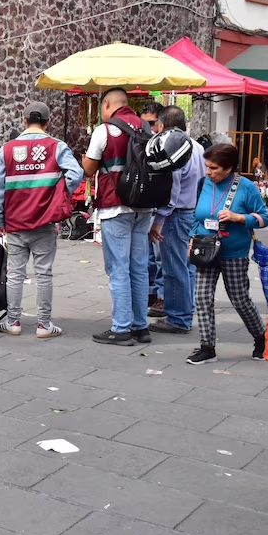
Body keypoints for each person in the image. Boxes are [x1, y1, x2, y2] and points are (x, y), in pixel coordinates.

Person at [0, 101, 83, 339]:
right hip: (44, 221)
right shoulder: (57, 147)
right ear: (48, 122)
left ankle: (13, 322)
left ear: (24, 121)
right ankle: (43, 325)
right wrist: (58, 197)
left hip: (15, 221)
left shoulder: (7, 149)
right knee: (43, 273)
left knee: (15, 274)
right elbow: (76, 173)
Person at [186, 143, 268, 365]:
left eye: (214, 168)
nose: (209, 172)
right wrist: (192, 238)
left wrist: (239, 218)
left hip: (234, 251)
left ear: (229, 168)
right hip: (205, 248)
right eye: (207, 166)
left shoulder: (246, 187)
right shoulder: (204, 184)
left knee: (239, 299)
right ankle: (207, 346)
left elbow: (264, 218)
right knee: (202, 298)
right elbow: (197, 216)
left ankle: (261, 338)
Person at [83, 88, 154, 346]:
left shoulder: (105, 130)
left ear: (109, 105)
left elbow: (89, 169)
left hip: (116, 205)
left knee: (118, 268)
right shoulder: (147, 128)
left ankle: (121, 327)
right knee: (139, 266)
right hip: (145, 205)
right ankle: (141, 326)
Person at [148, 106, 205, 335]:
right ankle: (184, 310)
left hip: (178, 213)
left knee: (174, 268)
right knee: (186, 266)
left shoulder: (175, 148)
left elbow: (174, 187)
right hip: (193, 210)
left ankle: (179, 318)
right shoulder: (198, 147)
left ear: (162, 126)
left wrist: (159, 219)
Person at [141, 102, 165, 316]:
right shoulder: (144, 143)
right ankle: (149, 292)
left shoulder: (166, 146)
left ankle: (162, 297)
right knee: (147, 255)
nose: (148, 128)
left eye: (152, 123)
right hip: (146, 206)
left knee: (160, 256)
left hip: (163, 209)